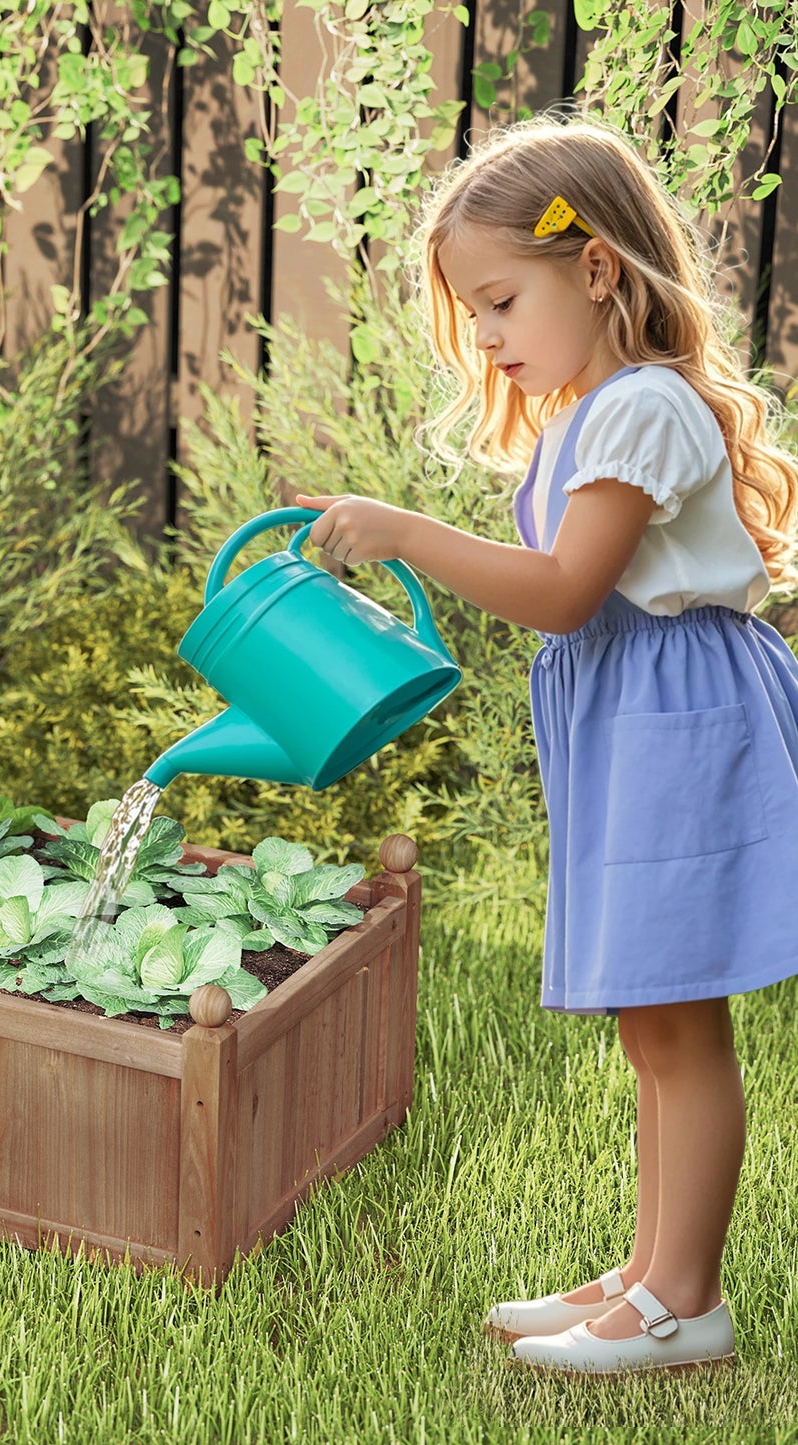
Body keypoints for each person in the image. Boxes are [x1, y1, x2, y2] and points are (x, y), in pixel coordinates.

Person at [295, 112, 798, 1377]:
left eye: (499, 300)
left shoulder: (641, 409)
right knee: (652, 1020)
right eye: (472, 314)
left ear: (595, 269)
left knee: (678, 1025)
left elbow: (568, 590)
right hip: (639, 727)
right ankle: (645, 1270)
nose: (487, 337)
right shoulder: (598, 410)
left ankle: (683, 1300)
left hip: (680, 731)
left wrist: (407, 532)